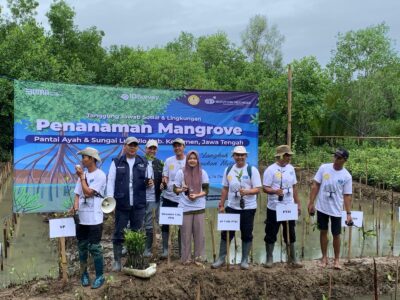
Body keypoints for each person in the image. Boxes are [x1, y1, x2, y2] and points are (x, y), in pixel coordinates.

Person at [212, 145, 261, 270]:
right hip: (232, 207)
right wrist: (221, 204)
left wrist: (247, 192)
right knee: (226, 233)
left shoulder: (252, 170)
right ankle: (221, 258)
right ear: (233, 156)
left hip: (248, 208)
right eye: (237, 155)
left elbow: (258, 189)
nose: (240, 157)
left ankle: (244, 260)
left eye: (242, 155)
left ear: (246, 156)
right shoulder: (228, 170)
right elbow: (224, 188)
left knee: (247, 233)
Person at [106, 137, 148, 271]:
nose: (132, 147)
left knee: (136, 232)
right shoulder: (116, 162)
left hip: (138, 203)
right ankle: (117, 262)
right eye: (130, 145)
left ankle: (133, 261)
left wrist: (150, 183)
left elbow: (149, 183)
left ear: (137, 147)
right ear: (125, 146)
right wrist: (110, 202)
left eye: (135, 145)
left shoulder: (144, 162)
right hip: (121, 203)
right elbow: (110, 182)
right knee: (119, 232)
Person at [307, 147, 353, 269]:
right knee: (323, 231)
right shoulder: (324, 168)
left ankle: (337, 260)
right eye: (335, 156)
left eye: (339, 158)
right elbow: (315, 185)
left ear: (345, 160)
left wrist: (348, 213)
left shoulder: (346, 176)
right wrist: (311, 203)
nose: (336, 159)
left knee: (336, 234)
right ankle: (324, 257)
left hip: (336, 210)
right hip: (322, 207)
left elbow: (347, 195)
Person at [72, 147, 107, 289]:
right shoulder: (84, 175)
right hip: (82, 218)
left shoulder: (100, 175)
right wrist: (75, 207)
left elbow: (87, 193)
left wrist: (81, 177)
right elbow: (77, 194)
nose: (82, 160)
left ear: (92, 159)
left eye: (85, 157)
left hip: (94, 218)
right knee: (82, 246)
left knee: (95, 247)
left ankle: (100, 276)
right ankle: (84, 274)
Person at [263, 145, 302, 268]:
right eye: (286, 155)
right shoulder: (270, 170)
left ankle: (293, 258)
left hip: (289, 206)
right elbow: (265, 188)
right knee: (271, 232)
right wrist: (275, 191)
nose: (289, 157)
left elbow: (294, 187)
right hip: (274, 207)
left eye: (289, 155)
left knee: (290, 231)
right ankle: (269, 258)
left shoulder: (291, 169)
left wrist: (298, 204)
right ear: (280, 156)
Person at [173, 150, 209, 264]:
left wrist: (197, 195)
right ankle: (186, 259)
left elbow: (206, 190)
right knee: (185, 235)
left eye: (194, 158)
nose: (192, 160)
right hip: (185, 208)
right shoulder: (181, 172)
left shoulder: (203, 173)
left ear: (197, 160)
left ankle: (199, 258)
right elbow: (175, 189)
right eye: (190, 158)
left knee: (199, 235)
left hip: (199, 207)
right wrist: (181, 189)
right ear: (187, 160)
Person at [161, 138, 186, 258]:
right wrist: (164, 182)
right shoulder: (168, 161)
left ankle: (182, 251)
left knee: (183, 225)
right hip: (168, 196)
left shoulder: (189, 161)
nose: (177, 148)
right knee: (165, 223)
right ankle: (166, 250)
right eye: (175, 146)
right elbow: (165, 176)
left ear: (183, 147)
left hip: (183, 199)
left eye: (179, 146)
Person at [143, 139, 163, 257]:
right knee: (136, 223)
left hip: (153, 199)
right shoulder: (139, 161)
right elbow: (134, 179)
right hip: (139, 198)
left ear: (157, 150)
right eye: (150, 148)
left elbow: (164, 181)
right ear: (146, 149)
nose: (152, 150)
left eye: (154, 148)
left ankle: (147, 249)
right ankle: (133, 247)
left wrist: (163, 184)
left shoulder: (160, 163)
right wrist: (144, 182)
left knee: (150, 224)